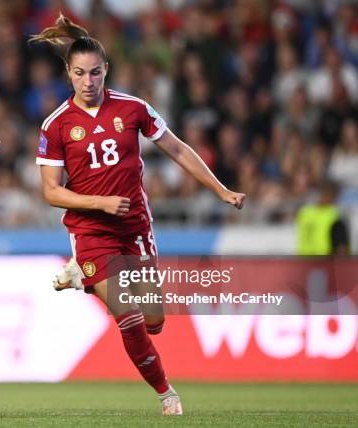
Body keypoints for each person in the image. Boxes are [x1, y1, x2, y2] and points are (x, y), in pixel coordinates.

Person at [31, 15, 245, 416]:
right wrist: (100, 203)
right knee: (127, 316)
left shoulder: (133, 109)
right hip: (91, 228)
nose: (88, 81)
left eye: (95, 72)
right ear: (68, 73)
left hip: (134, 228)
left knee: (154, 320)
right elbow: (50, 191)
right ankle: (167, 394)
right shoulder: (57, 125)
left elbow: (179, 149)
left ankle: (82, 276)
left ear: (106, 70)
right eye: (80, 73)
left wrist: (221, 190)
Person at [297, 180, 350, 256]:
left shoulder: (305, 213)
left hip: (304, 262)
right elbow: (342, 249)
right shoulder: (334, 216)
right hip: (324, 263)